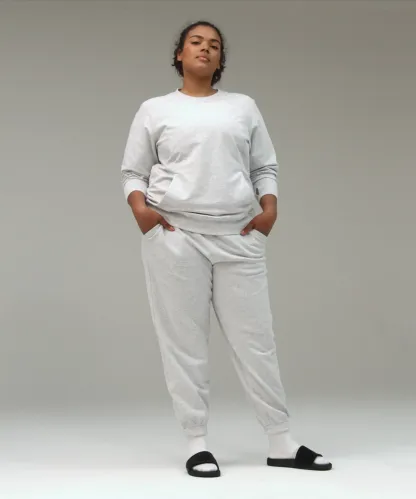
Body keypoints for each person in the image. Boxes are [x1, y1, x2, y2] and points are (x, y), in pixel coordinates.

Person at [120, 20, 332, 477]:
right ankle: (197, 443)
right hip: (175, 235)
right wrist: (141, 211)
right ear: (179, 54)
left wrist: (269, 209)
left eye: (214, 45)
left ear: (220, 59)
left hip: (238, 235)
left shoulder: (242, 107)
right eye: (196, 42)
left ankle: (280, 440)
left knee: (257, 341)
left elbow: (264, 166)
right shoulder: (155, 109)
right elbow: (134, 172)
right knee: (184, 342)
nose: (205, 48)